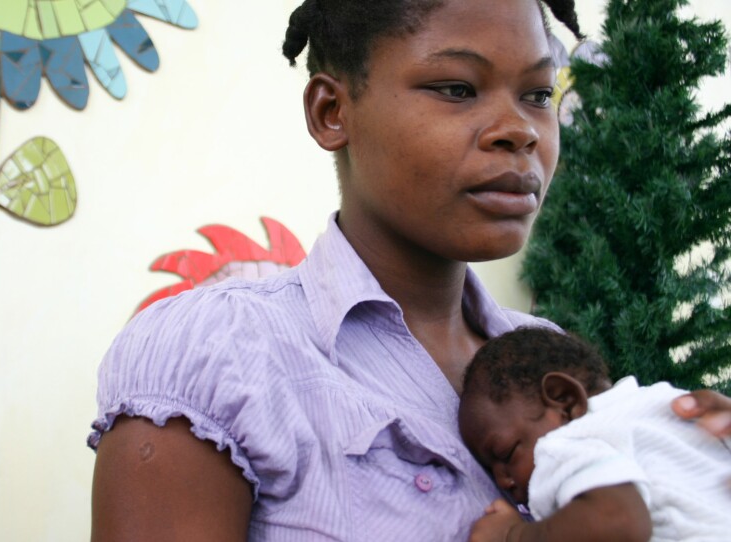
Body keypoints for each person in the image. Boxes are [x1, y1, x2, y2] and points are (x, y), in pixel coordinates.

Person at [88, 1, 731, 540]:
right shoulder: (217, 351)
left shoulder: (541, 359)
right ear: (331, 113)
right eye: (457, 88)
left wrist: (695, 465)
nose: (520, 130)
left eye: (538, 94)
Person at [458, 327, 731, 542]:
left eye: (505, 453)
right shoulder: (667, 401)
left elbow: (619, 522)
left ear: (564, 401)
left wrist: (512, 536)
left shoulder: (566, 442)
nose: (502, 481)